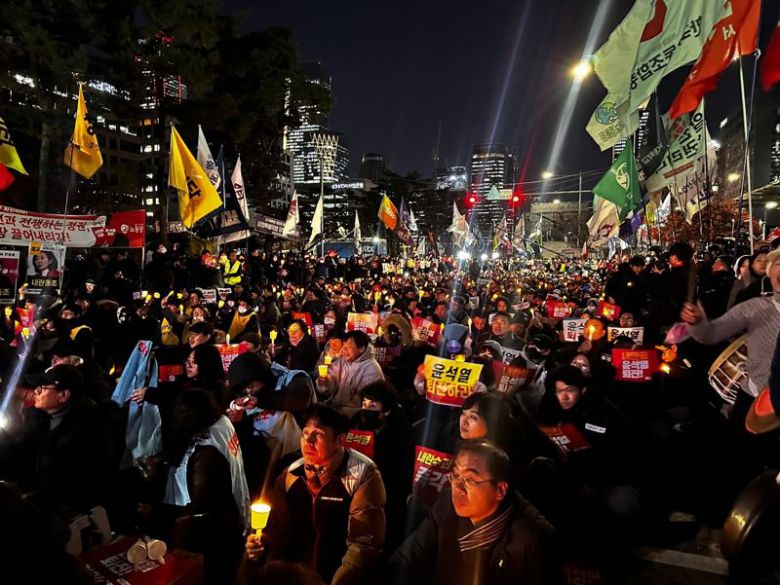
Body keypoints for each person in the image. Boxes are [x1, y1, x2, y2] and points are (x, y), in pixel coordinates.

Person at [243, 404, 386, 585]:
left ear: (339, 440)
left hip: (335, 576)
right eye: (305, 433)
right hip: (297, 576)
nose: (308, 440)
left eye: (318, 434)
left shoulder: (363, 475)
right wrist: (260, 543)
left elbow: (363, 545)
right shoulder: (291, 474)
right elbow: (275, 528)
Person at [390, 440, 560, 585]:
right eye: (456, 475)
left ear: (500, 490)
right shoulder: (446, 505)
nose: (457, 488)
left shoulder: (533, 538)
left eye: (469, 480)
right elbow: (408, 560)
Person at [0, 365, 114, 515]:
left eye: (43, 388)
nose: (36, 391)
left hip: (66, 512)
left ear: (63, 395)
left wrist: (25, 498)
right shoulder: (41, 417)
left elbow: (67, 484)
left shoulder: (85, 431)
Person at [349, 381, 414, 551]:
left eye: (373, 405)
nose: (366, 409)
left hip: (386, 494)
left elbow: (401, 475)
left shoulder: (401, 434)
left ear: (386, 410)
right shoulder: (357, 421)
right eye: (364, 403)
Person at [316, 330, 384, 414]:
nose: (344, 350)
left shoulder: (372, 369)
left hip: (356, 413)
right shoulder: (342, 361)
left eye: (349, 347)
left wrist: (343, 411)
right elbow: (332, 376)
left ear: (361, 349)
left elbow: (364, 399)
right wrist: (325, 382)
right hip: (336, 408)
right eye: (344, 346)